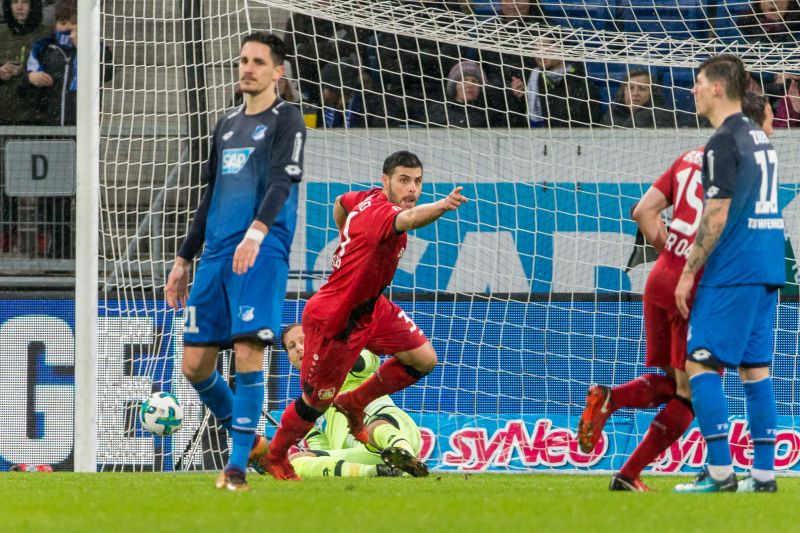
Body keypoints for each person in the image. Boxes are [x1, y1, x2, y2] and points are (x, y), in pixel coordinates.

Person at [577, 91, 776, 492]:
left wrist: (669, 250)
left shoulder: (690, 156)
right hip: (697, 282)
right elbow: (722, 223)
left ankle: (613, 402)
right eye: (770, 121)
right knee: (692, 389)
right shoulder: (742, 162)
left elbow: (642, 211)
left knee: (675, 380)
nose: (773, 129)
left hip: (661, 276)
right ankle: (635, 471)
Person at [257, 150, 467, 480]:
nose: (412, 189)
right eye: (404, 181)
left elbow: (341, 202)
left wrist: (347, 238)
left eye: (417, 182)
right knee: (315, 404)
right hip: (337, 318)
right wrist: (442, 205)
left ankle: (356, 401)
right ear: (385, 181)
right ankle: (276, 455)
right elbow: (411, 220)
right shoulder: (383, 213)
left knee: (424, 359)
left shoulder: (365, 199)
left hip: (373, 306)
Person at [164, 32, 306, 492]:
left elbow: (283, 182)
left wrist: (258, 231)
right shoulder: (226, 124)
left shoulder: (288, 120)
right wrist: (185, 257)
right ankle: (255, 444)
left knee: (248, 352)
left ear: (277, 72)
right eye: (243, 60)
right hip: (218, 253)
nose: (247, 68)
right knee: (194, 366)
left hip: (261, 250)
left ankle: (237, 468)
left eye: (258, 62)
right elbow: (211, 194)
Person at [672, 54, 784, 493]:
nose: (694, 90)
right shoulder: (758, 134)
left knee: (699, 362)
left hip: (734, 268)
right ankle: (763, 475)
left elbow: (715, 216)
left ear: (717, 87)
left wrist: (687, 273)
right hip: (768, 266)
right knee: (755, 370)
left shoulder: (722, 141)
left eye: (698, 82)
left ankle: (719, 473)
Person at [271, 324, 427, 478]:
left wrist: (329, 358)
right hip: (361, 456)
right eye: (292, 346)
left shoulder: (347, 367)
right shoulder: (306, 408)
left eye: (304, 340)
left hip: (392, 432)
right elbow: (322, 449)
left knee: (374, 427)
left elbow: (371, 360)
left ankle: (406, 456)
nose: (299, 347)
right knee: (295, 461)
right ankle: (375, 472)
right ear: (290, 359)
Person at [507, 50, 601, 128]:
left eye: (546, 46)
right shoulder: (528, 80)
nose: (540, 53)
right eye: (536, 47)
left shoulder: (581, 84)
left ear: (561, 49)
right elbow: (512, 124)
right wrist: (520, 99)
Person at [601, 70, 677, 129]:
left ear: (652, 93)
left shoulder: (662, 116)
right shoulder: (612, 115)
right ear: (623, 92)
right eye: (631, 88)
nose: (635, 93)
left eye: (642, 89)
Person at [428, 60, 489, 128]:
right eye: (464, 80)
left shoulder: (488, 114)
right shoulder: (439, 112)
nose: (470, 85)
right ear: (455, 86)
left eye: (474, 81)